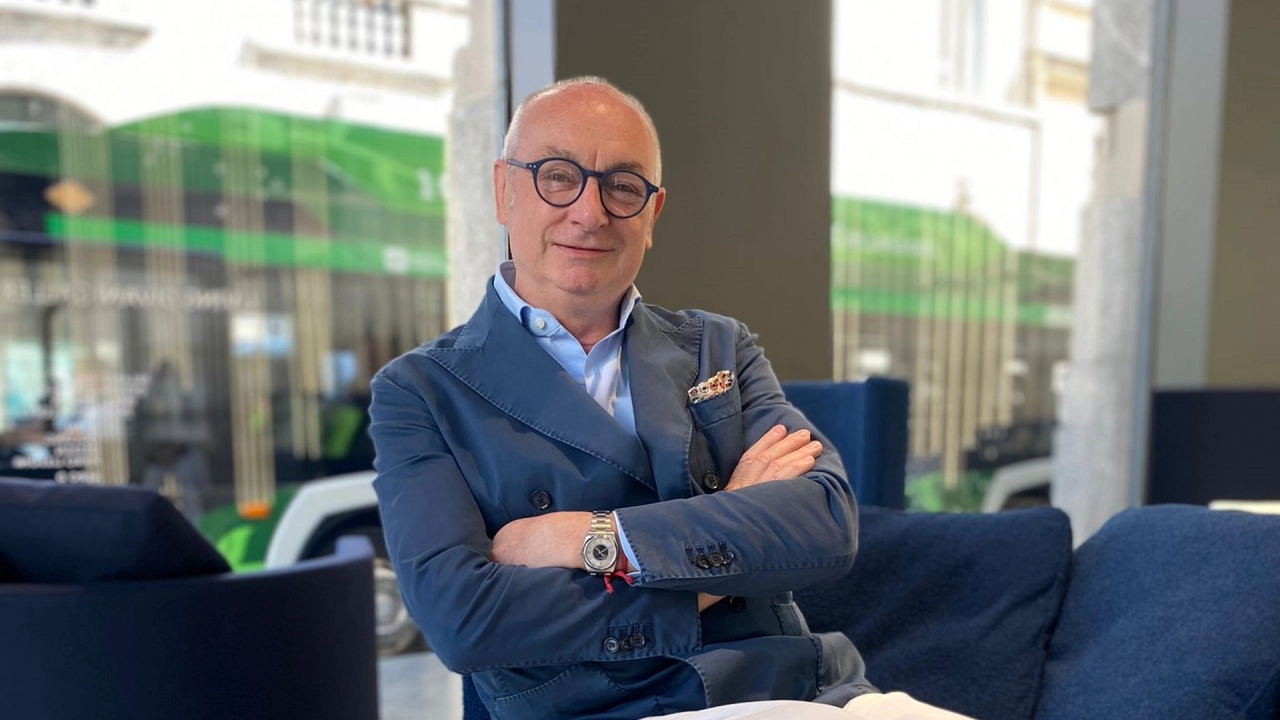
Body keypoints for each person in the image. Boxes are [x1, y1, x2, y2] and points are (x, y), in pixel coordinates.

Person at [369, 77, 972, 720]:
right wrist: (734, 529)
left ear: (653, 215)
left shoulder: (718, 346)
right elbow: (467, 623)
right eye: (557, 176)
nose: (591, 212)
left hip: (812, 690)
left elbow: (823, 521)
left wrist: (587, 537)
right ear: (503, 190)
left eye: (623, 187)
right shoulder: (420, 392)